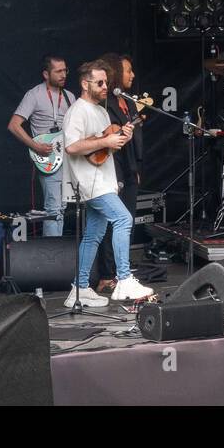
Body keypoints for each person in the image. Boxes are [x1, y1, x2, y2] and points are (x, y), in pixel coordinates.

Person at [61, 60, 154, 307]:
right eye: (99, 83)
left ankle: (79, 290)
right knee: (123, 219)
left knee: (93, 234)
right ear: (84, 84)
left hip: (103, 180)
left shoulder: (102, 111)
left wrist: (123, 136)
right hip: (90, 182)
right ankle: (123, 280)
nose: (105, 87)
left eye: (106, 82)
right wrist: (106, 142)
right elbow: (72, 146)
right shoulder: (77, 111)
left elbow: (105, 148)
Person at [8, 55, 75, 237]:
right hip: (47, 157)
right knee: (54, 207)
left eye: (65, 70)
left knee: (61, 207)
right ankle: (51, 259)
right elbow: (14, 125)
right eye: (58, 71)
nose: (63, 74)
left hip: (67, 157)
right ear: (46, 74)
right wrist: (35, 145)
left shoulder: (70, 97)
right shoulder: (34, 94)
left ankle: (57, 255)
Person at [96, 52, 144, 292]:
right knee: (111, 222)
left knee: (128, 220)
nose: (132, 75)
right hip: (111, 167)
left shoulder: (130, 102)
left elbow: (135, 138)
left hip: (129, 167)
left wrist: (136, 166)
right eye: (128, 71)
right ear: (116, 72)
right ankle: (107, 273)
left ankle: (122, 271)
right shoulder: (106, 102)